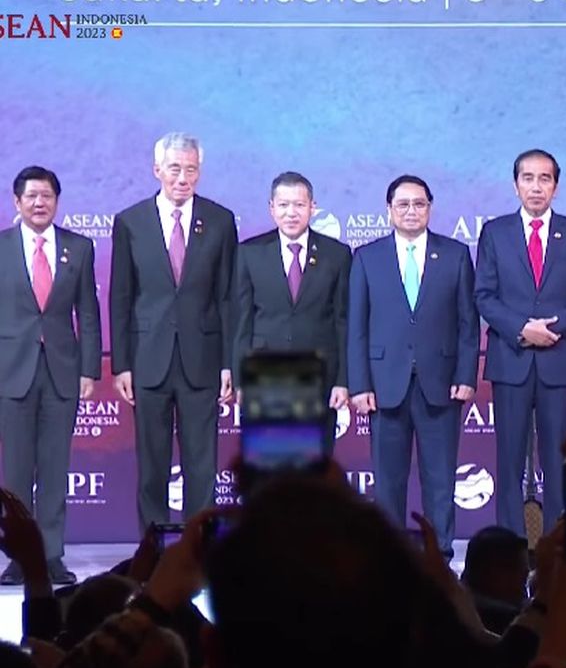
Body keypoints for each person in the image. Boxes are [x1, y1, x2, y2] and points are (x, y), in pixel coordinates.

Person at [109, 132, 237, 533]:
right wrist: (122, 364)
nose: (183, 178)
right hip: (148, 359)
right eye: (175, 169)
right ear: (157, 170)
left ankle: (200, 546)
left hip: (203, 358)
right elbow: (121, 297)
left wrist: (228, 365)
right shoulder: (131, 222)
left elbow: (229, 297)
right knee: (152, 462)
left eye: (191, 169)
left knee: (202, 462)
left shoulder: (220, 220)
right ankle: (153, 548)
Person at [348, 174, 479, 554]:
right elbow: (356, 327)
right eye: (402, 204)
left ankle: (441, 552)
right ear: (388, 210)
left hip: (440, 385)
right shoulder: (367, 257)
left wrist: (466, 375)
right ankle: (389, 553)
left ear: (430, 208)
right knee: (388, 480)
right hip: (384, 387)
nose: (411, 210)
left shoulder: (455, 255)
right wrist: (360, 385)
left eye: (419, 203)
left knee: (440, 479)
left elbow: (468, 324)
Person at [474, 149, 566, 536]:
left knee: (558, 458)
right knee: (509, 460)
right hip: (510, 359)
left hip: (557, 359)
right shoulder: (495, 233)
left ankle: (557, 546)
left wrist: (552, 328)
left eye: (544, 178)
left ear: (556, 187)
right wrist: (521, 328)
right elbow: (484, 296)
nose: (536, 186)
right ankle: (511, 546)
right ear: (516, 185)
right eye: (528, 178)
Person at [0, 166, 101, 585]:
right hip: (11, 372)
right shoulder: (2, 247)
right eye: (32, 196)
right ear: (17, 202)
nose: (40, 203)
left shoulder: (78, 247)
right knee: (17, 471)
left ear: (57, 202)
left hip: (63, 371)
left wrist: (90, 370)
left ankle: (53, 555)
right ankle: (20, 558)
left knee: (56, 468)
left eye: (47, 196)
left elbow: (89, 314)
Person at [233, 171, 351, 433]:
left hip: (320, 375)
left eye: (299, 204)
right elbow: (241, 320)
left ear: (313, 207)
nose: (291, 212)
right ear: (272, 209)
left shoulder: (337, 255)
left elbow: (343, 321)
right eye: (283, 205)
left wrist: (343, 380)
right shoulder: (249, 253)